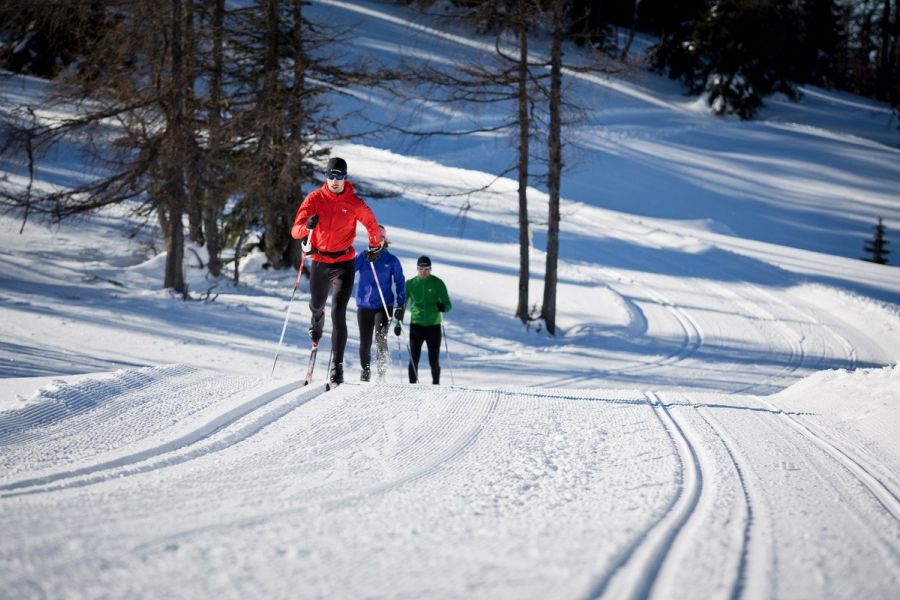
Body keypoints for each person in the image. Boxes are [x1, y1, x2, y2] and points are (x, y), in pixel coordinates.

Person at [291, 157, 383, 386]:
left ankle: (337, 366)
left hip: (344, 263)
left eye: (339, 176)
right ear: (326, 177)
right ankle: (316, 320)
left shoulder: (353, 201)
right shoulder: (314, 199)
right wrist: (306, 227)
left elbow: (371, 223)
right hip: (320, 262)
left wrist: (374, 246)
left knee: (338, 312)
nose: (334, 180)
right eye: (331, 176)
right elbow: (295, 231)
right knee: (317, 305)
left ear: (345, 177)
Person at [354, 225, 406, 382]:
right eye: (374, 237)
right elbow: (348, 271)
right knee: (365, 341)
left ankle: (381, 372)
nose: (377, 240)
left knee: (380, 337)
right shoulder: (363, 257)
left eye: (380, 238)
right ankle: (365, 372)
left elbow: (400, 282)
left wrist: (400, 304)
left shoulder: (391, 260)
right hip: (364, 305)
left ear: (385, 240)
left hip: (384, 306)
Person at [400, 255, 452, 384]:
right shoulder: (411, 284)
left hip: (433, 327)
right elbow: (402, 304)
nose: (424, 272)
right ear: (417, 269)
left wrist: (443, 307)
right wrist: (397, 323)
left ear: (430, 269)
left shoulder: (437, 283)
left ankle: (436, 385)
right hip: (416, 326)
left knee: (433, 360)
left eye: (427, 269)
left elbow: (448, 304)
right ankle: (412, 386)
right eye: (421, 269)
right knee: (414, 359)